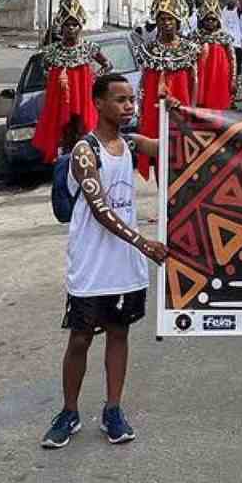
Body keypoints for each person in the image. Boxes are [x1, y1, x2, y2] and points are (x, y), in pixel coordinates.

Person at [41, 73, 170, 449]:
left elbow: (173, 146)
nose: (129, 106)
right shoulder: (85, 151)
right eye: (120, 100)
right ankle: (68, 412)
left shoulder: (130, 143)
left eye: (132, 100)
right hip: (92, 265)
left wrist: (176, 114)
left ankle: (113, 410)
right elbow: (100, 210)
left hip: (125, 267)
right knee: (80, 338)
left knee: (119, 333)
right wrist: (143, 243)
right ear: (98, 103)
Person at [32, 0, 112, 164]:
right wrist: (53, 81)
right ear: (61, 27)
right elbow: (44, 69)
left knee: (83, 134)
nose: (70, 28)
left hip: (83, 101)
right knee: (64, 137)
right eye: (67, 25)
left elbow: (107, 65)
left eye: (74, 24)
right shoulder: (52, 51)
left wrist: (93, 79)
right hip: (61, 102)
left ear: (80, 27)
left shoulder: (88, 48)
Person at [135, 0, 199, 181]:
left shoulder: (190, 49)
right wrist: (141, 110)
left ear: (177, 21)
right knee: (157, 152)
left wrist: (193, 110)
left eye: (170, 18)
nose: (166, 23)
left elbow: (194, 81)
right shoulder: (147, 50)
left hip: (181, 107)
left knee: (181, 152)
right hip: (154, 108)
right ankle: (161, 193)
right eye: (162, 19)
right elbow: (143, 81)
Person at [194, 0, 237, 110]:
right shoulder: (196, 36)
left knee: (218, 103)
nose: (210, 22)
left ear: (218, 20)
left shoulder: (225, 36)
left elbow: (232, 58)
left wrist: (233, 78)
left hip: (220, 75)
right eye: (207, 19)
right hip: (202, 75)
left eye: (213, 19)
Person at [221, 0, 242, 74]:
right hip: (225, 43)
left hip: (236, 44)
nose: (230, 1)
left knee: (236, 69)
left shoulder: (238, 11)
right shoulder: (223, 11)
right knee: (226, 67)